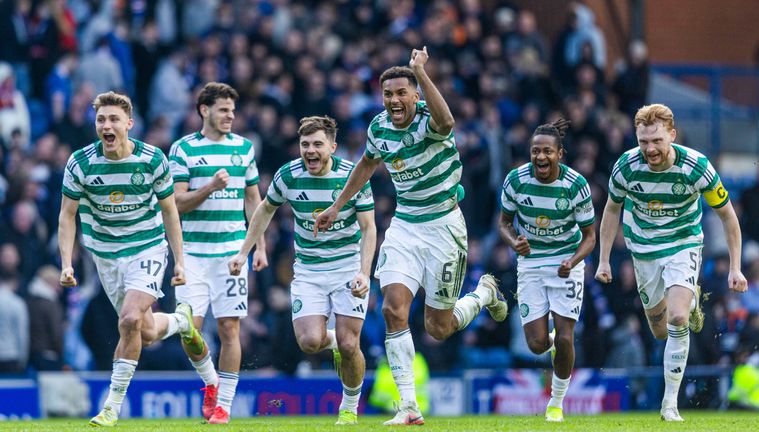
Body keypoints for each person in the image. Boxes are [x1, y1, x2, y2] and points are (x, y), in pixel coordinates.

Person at [313, 47, 508, 425]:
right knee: (392, 309)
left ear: (416, 95)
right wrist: (337, 206)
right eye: (387, 94)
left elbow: (448, 121)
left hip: (445, 226)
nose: (394, 100)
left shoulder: (428, 120)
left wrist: (421, 70)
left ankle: (484, 294)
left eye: (402, 92)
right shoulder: (379, 128)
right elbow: (367, 164)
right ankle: (408, 406)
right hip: (405, 225)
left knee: (438, 328)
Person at [58, 91, 204, 427]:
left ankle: (111, 407)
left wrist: (179, 260)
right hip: (106, 256)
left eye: (113, 119)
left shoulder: (152, 159)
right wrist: (67, 262)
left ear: (129, 124)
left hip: (147, 248)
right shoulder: (80, 163)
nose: (106, 126)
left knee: (128, 319)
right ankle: (181, 322)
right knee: (145, 331)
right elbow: (67, 215)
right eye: (101, 120)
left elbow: (170, 211)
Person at [595, 103, 748, 421]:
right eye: (643, 142)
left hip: (683, 243)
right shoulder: (625, 167)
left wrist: (735, 267)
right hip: (644, 250)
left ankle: (669, 404)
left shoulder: (697, 167)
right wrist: (604, 260)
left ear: (672, 135)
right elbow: (611, 209)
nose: (650, 149)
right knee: (660, 331)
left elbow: (728, 216)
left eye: (657, 141)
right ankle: (691, 303)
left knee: (677, 318)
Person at [229, 115, 376, 425]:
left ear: (332, 147)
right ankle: (332, 342)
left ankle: (349, 407)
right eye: (305, 144)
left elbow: (369, 227)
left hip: (347, 268)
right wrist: (244, 251)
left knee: (351, 344)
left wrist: (364, 272)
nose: (310, 151)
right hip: (309, 271)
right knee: (309, 341)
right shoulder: (288, 175)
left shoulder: (352, 176)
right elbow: (264, 210)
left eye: (317, 144)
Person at [169, 82, 267, 425]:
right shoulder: (183, 149)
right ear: (204, 110)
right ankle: (211, 381)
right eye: (223, 110)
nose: (230, 116)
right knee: (188, 329)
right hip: (193, 254)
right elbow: (176, 203)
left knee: (229, 329)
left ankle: (223, 406)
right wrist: (210, 186)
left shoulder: (244, 148)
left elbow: (254, 201)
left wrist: (259, 247)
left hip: (231, 255)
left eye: (232, 111)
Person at [498, 119, 596, 422]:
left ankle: (556, 403)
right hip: (531, 263)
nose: (540, 157)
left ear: (559, 154)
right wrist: (515, 242)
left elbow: (590, 236)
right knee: (537, 345)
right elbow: (503, 223)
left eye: (547, 151)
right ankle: (551, 342)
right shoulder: (515, 180)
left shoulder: (576, 185)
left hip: (566, 261)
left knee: (566, 338)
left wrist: (572, 262)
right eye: (535, 151)